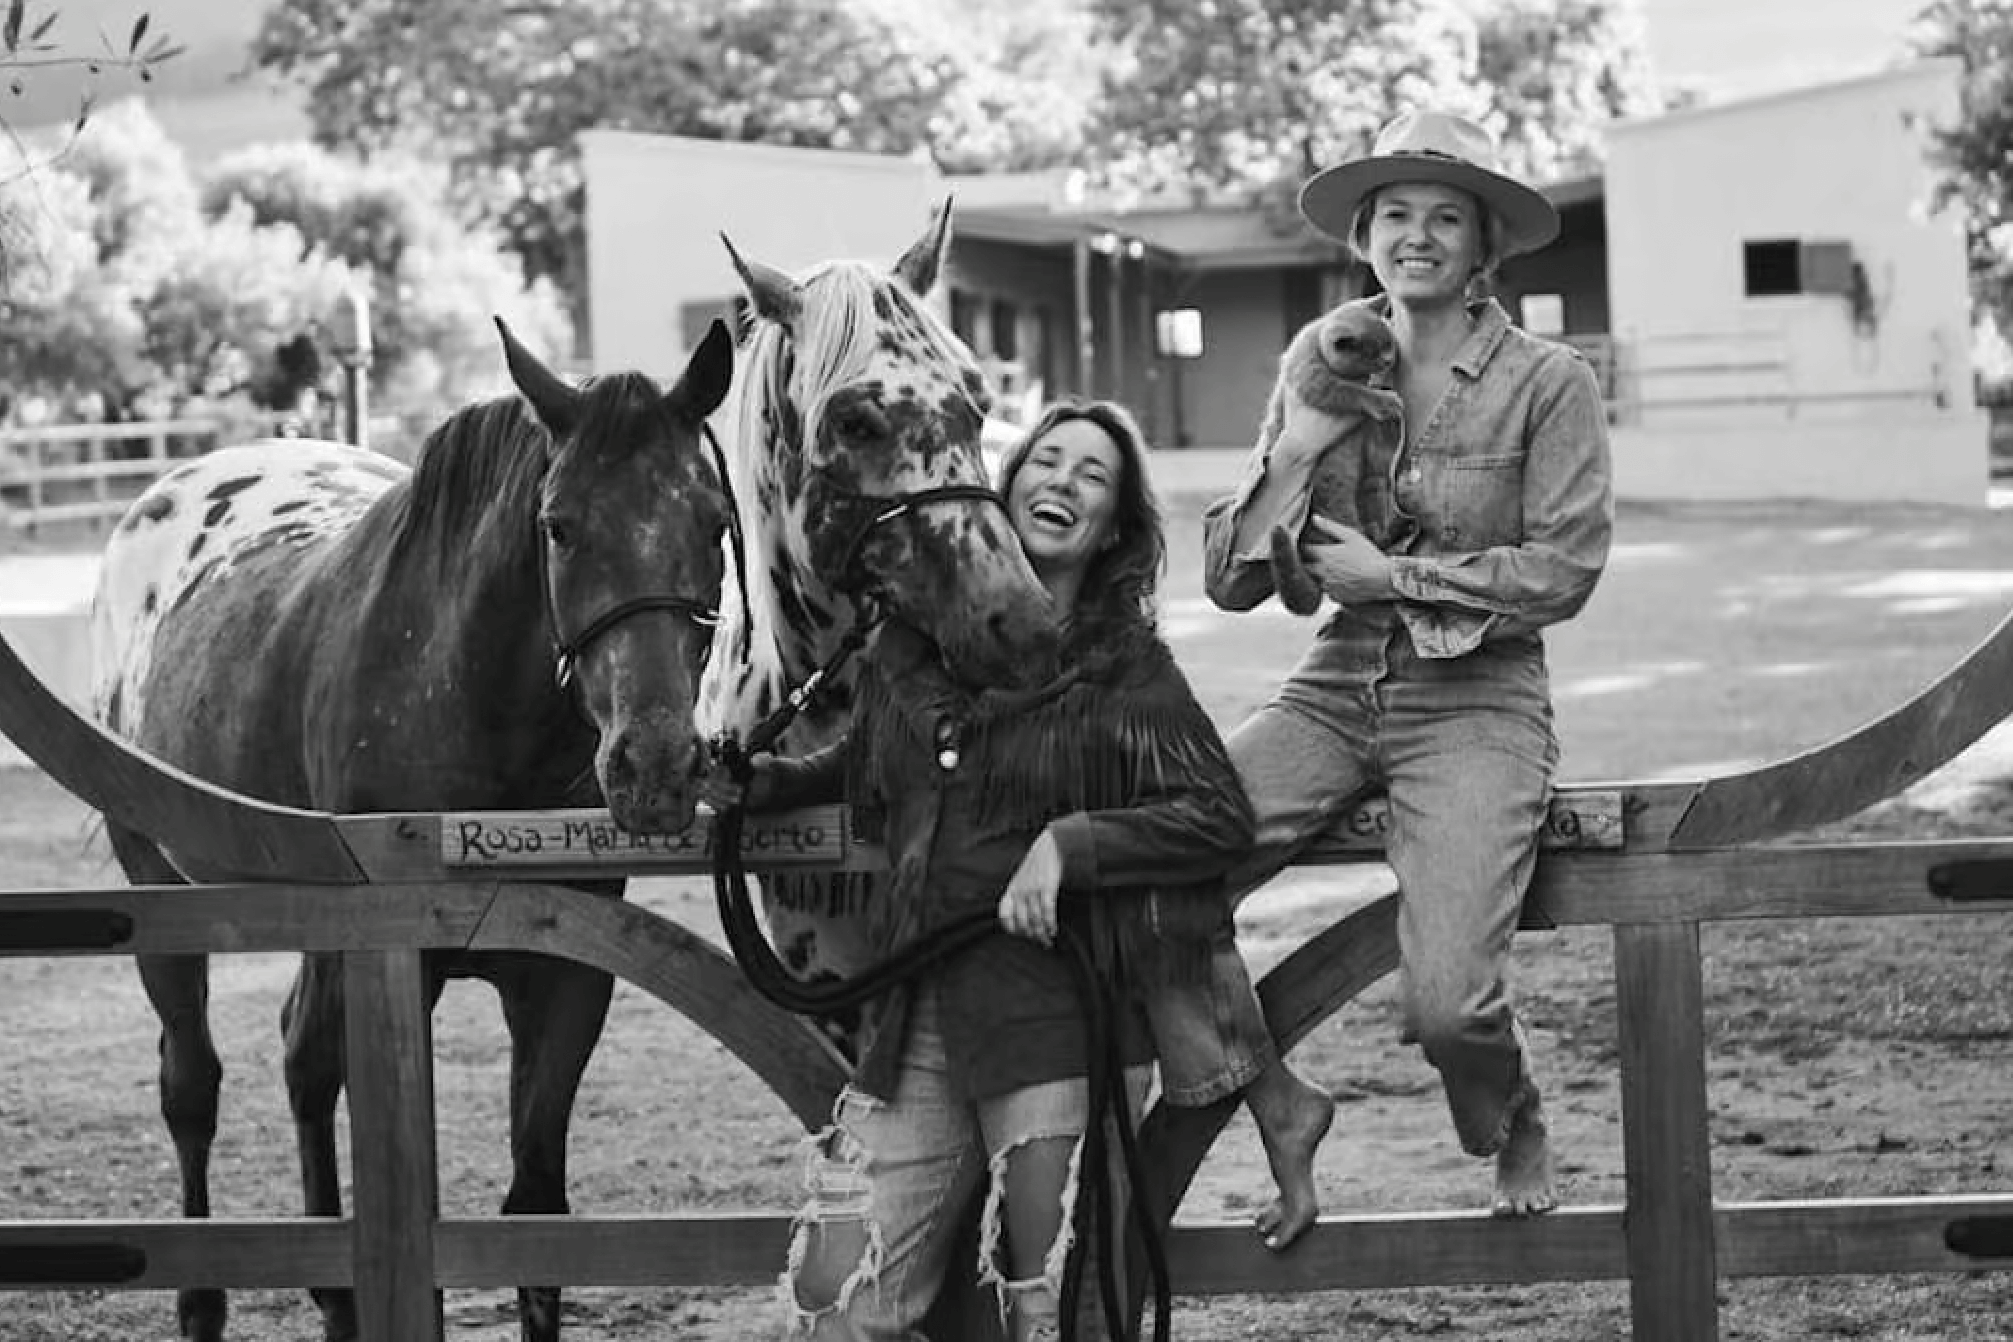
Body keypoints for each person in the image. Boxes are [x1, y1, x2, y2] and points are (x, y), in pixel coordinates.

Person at [711, 398, 1257, 1341]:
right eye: (1046, 461)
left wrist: (1070, 846)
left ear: (1114, 525)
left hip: (1059, 1023)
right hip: (916, 1019)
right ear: (1003, 491)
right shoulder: (910, 648)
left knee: (1035, 1310)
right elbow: (867, 765)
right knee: (831, 1301)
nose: (1062, 482)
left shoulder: (1124, 670)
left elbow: (1215, 814)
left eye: (1092, 475)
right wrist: (765, 784)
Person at [1181, 108, 1615, 1236]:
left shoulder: (1547, 380)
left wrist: (1399, 580)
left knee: (1451, 1005)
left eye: (1446, 219)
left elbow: (1565, 569)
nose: (1418, 237)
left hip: (1479, 699)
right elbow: (1231, 579)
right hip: (1336, 686)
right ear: (1365, 234)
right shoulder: (1319, 362)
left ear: (1484, 249)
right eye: (1398, 217)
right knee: (1160, 870)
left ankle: (1507, 1104)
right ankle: (1278, 1100)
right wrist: (1295, 447)